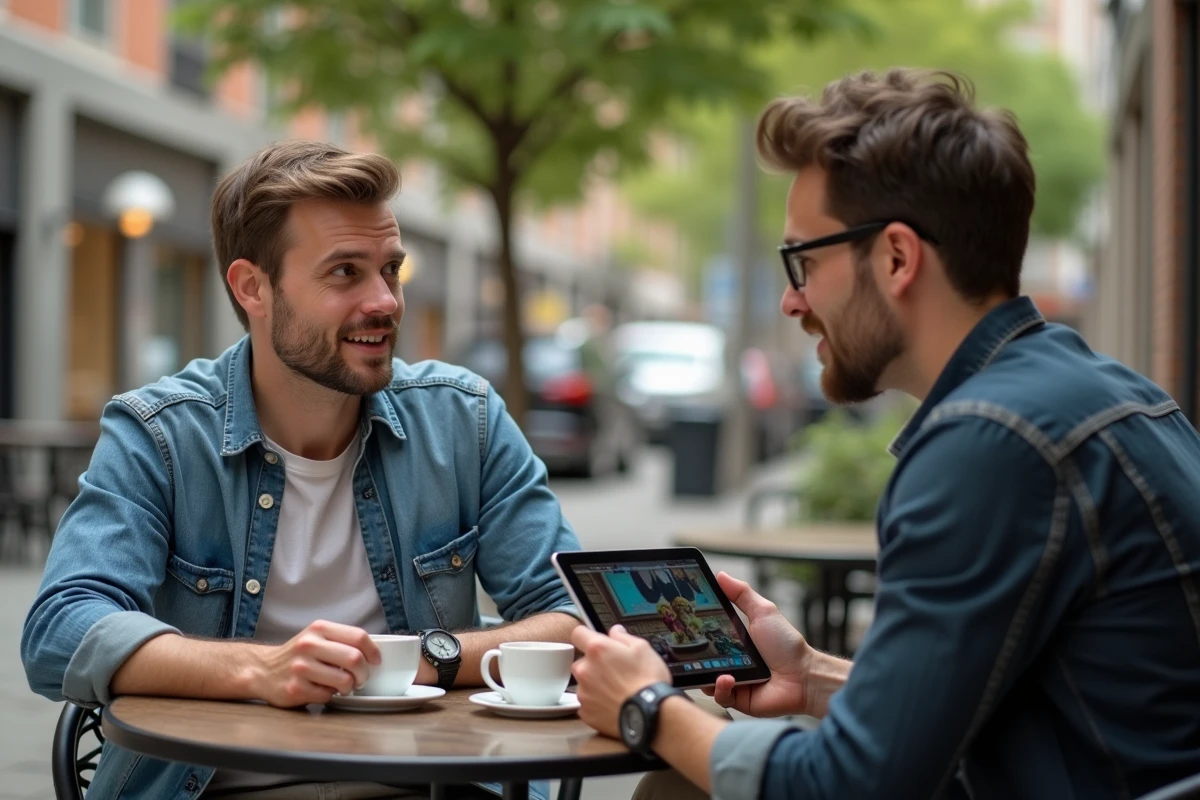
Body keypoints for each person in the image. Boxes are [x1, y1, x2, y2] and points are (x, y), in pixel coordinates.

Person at [570, 68, 1200, 800]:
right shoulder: (1102, 391)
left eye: (804, 260)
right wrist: (813, 679)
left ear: (897, 257)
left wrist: (649, 708)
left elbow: (853, 787)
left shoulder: (987, 445)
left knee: (678, 782)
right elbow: (1001, 705)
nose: (791, 300)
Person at [22, 141, 583, 800]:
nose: (386, 301)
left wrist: (435, 658)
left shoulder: (466, 421)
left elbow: (572, 615)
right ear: (252, 288)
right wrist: (262, 671)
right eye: (345, 272)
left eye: (391, 269)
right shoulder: (161, 435)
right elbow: (60, 630)